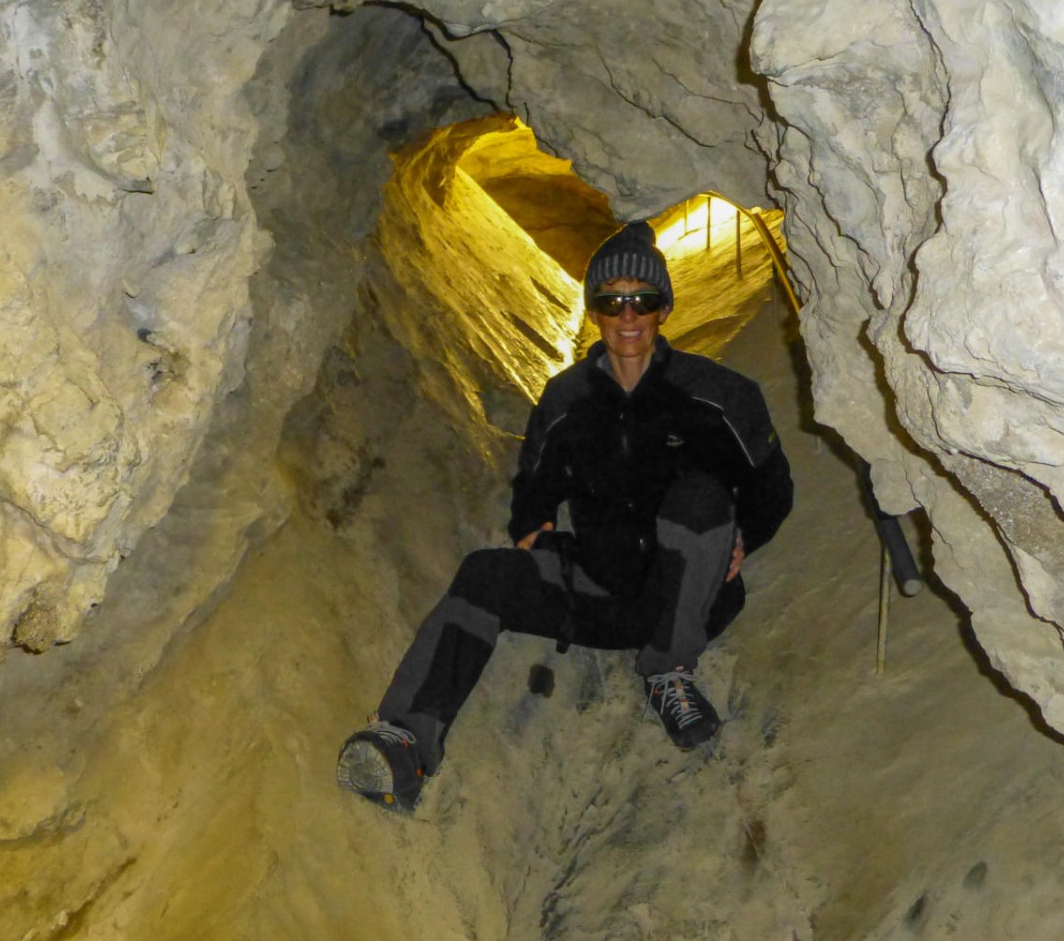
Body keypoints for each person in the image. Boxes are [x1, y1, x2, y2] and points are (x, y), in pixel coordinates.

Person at [336, 220, 794, 811]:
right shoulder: (566, 399)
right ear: (595, 313)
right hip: (595, 588)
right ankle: (403, 743)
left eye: (642, 301)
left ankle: (668, 672)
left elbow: (772, 485)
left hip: (686, 597)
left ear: (663, 310)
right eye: (611, 303)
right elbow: (536, 484)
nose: (627, 318)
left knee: (702, 498)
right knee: (485, 574)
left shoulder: (718, 395)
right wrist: (533, 527)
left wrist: (743, 538)